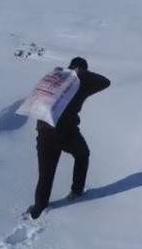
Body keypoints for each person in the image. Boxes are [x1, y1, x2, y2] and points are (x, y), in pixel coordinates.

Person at [28, 57, 110, 219]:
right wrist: (82, 73)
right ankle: (77, 190)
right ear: (83, 69)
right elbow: (105, 82)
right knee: (82, 154)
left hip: (43, 131)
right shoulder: (81, 81)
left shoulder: (56, 79)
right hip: (66, 132)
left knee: (46, 173)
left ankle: (39, 207)